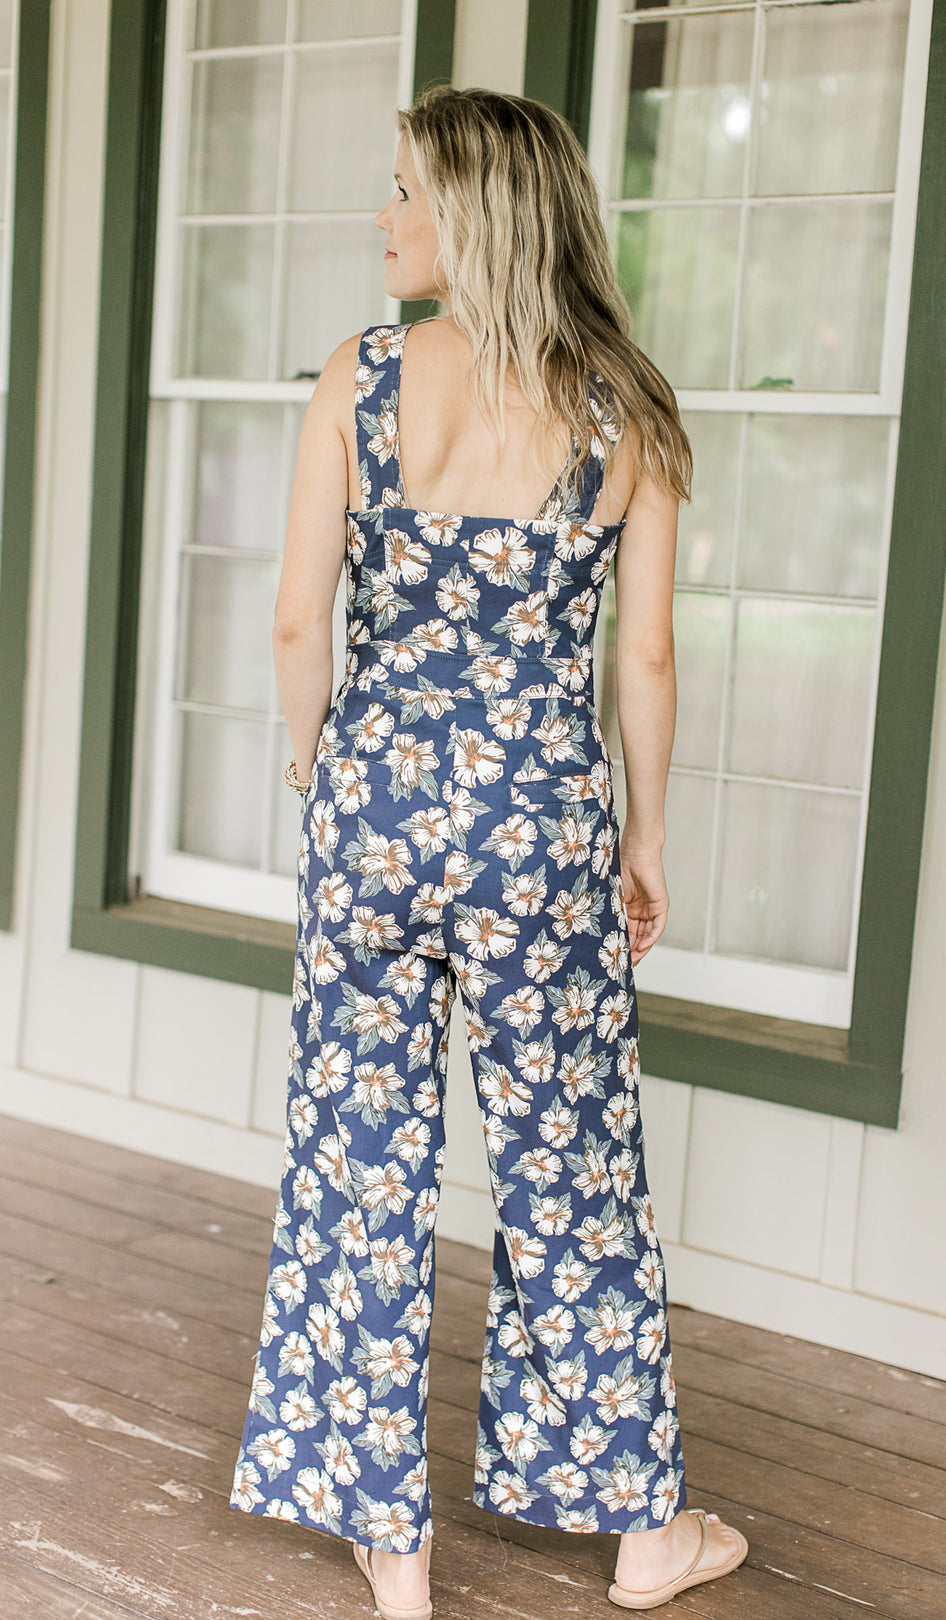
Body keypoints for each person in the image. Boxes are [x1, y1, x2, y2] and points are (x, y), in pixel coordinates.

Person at [229, 85, 748, 1618]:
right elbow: (640, 662)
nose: (380, 217)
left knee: (355, 1153)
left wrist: (321, 762)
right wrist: (645, 834)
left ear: (468, 215)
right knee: (572, 1163)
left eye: (400, 191)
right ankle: (642, 1535)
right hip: (538, 821)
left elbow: (292, 616)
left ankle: (393, 1552)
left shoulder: (362, 378)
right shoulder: (623, 407)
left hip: (379, 806)